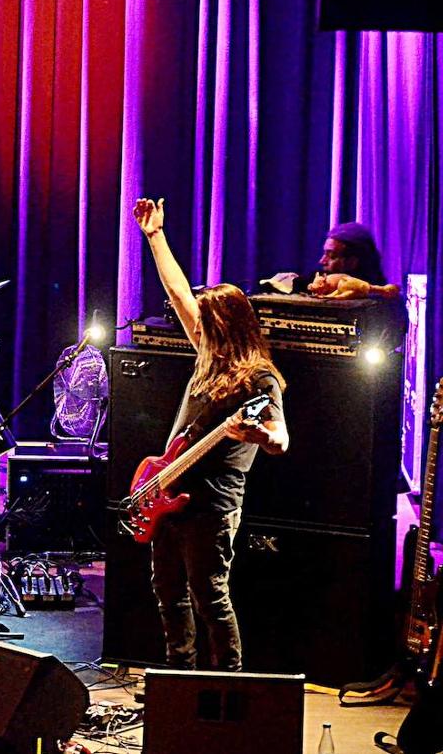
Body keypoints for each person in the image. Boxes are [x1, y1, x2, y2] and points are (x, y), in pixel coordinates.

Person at [133, 198, 289, 671]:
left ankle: (227, 683)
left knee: (210, 596)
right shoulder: (207, 354)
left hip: (213, 505)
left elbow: (281, 439)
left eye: (206, 323)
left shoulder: (260, 379)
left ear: (227, 327)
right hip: (169, 490)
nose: (196, 328)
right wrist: (155, 236)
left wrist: (256, 434)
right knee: (168, 592)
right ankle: (176, 679)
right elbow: (178, 292)